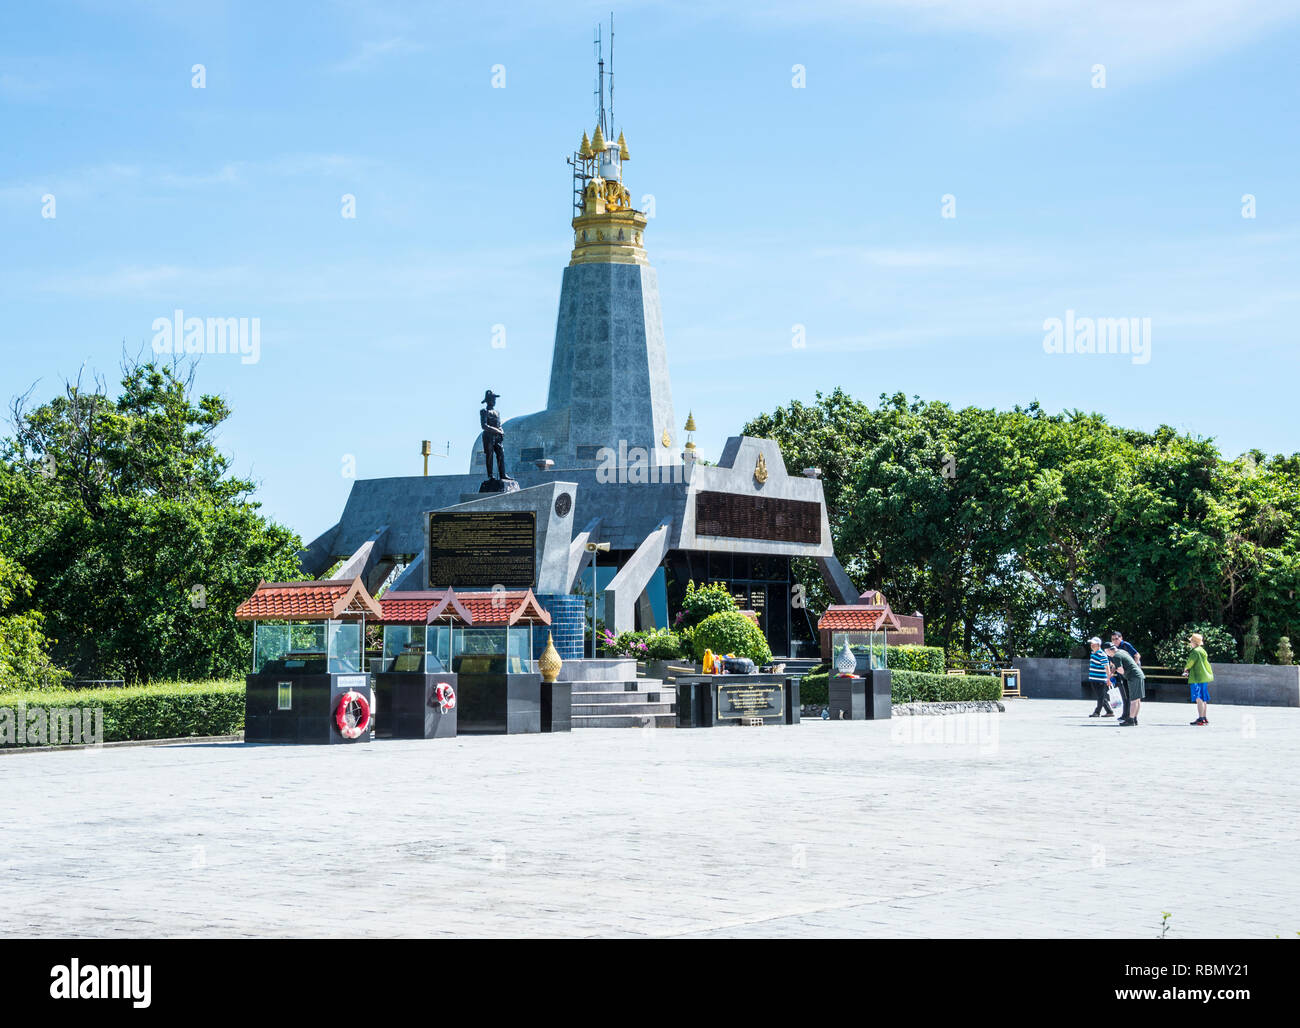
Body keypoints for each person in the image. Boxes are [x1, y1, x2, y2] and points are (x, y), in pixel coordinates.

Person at [1106, 643, 1145, 726]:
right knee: (1137, 699)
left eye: (1106, 652)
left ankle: (1130, 720)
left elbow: (1121, 670)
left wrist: (1119, 672)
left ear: (1108, 650)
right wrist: (1110, 676)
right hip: (1139, 675)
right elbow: (1114, 667)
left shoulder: (1116, 656)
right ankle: (1134, 719)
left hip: (1133, 677)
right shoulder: (1121, 651)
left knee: (1133, 700)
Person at [1182, 632, 1214, 726]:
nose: (1190, 643)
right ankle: (1204, 717)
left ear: (1194, 642)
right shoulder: (1202, 650)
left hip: (1197, 677)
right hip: (1204, 677)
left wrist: (1186, 669)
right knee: (1204, 698)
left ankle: (1200, 718)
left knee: (1198, 697)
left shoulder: (1195, 651)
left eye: (1191, 641)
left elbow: (1190, 662)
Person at [1086, 637, 1113, 717]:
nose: (1091, 645)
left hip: (1100, 679)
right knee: (1101, 696)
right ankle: (1109, 711)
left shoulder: (1102, 654)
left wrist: (1108, 678)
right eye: (1091, 644)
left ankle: (1097, 712)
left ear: (1098, 645)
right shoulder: (1093, 653)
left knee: (1100, 696)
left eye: (1093, 644)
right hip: (1094, 679)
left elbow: (1107, 667)